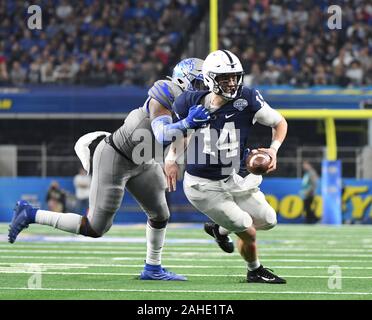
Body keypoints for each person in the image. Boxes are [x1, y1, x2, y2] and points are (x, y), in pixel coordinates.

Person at [8, 58, 210, 281]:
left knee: (161, 215)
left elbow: (185, 135)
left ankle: (153, 268)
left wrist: (172, 157)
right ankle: (31, 213)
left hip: (143, 160)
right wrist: (186, 124)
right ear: (184, 79)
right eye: (201, 84)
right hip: (116, 158)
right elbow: (163, 132)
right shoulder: (166, 91)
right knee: (95, 228)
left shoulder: (193, 104)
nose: (205, 90)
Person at [165, 50, 288, 284]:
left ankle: (219, 229)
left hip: (235, 176)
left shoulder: (248, 98)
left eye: (235, 76)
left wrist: (273, 150)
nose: (232, 83)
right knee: (246, 228)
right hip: (204, 184)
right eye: (225, 78)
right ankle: (255, 270)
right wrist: (172, 158)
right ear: (211, 78)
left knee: (268, 220)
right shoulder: (188, 102)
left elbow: (279, 122)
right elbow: (181, 135)